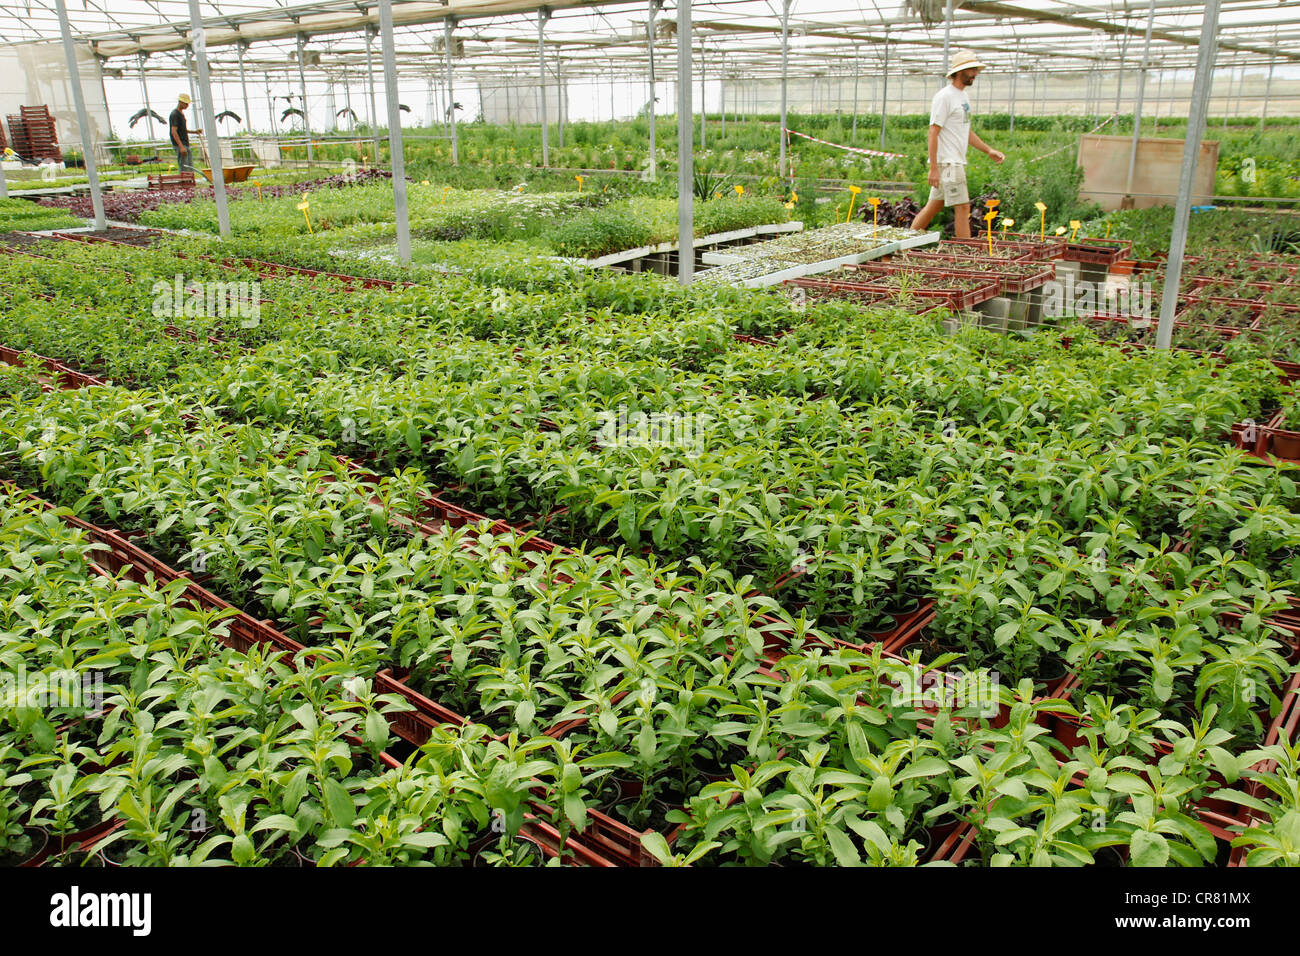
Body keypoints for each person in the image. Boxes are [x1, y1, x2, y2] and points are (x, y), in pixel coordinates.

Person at [910, 50, 1005, 238]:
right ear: (959, 71)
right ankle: (965, 253)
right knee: (963, 207)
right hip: (949, 162)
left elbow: (965, 131)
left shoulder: (963, 98)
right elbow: (933, 132)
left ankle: (903, 244)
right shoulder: (944, 97)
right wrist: (934, 168)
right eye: (971, 70)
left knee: (933, 206)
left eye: (975, 70)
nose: (975, 74)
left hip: (953, 161)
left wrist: (988, 150)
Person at [169, 94, 200, 174]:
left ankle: (189, 181)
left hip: (185, 143)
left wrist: (195, 132)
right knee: (184, 166)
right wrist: (181, 146)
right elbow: (174, 131)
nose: (187, 105)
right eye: (186, 103)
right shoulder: (175, 114)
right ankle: (184, 182)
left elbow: (183, 130)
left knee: (189, 166)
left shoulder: (181, 114)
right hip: (181, 144)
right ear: (180, 102)